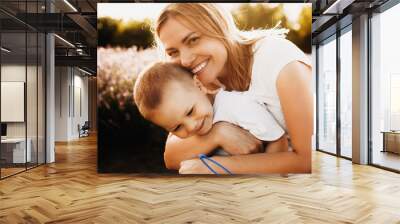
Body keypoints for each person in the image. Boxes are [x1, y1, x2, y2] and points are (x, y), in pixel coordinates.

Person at [154, 3, 313, 174]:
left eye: (193, 40)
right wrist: (218, 133)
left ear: (220, 26)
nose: (185, 60)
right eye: (173, 52)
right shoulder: (200, 80)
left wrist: (215, 167)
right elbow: (171, 157)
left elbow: (308, 160)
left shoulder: (280, 63)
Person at [133, 62, 289, 174]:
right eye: (176, 128)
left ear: (199, 86)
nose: (191, 126)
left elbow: (278, 141)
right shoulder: (193, 119)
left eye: (190, 112)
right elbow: (171, 160)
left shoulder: (237, 106)